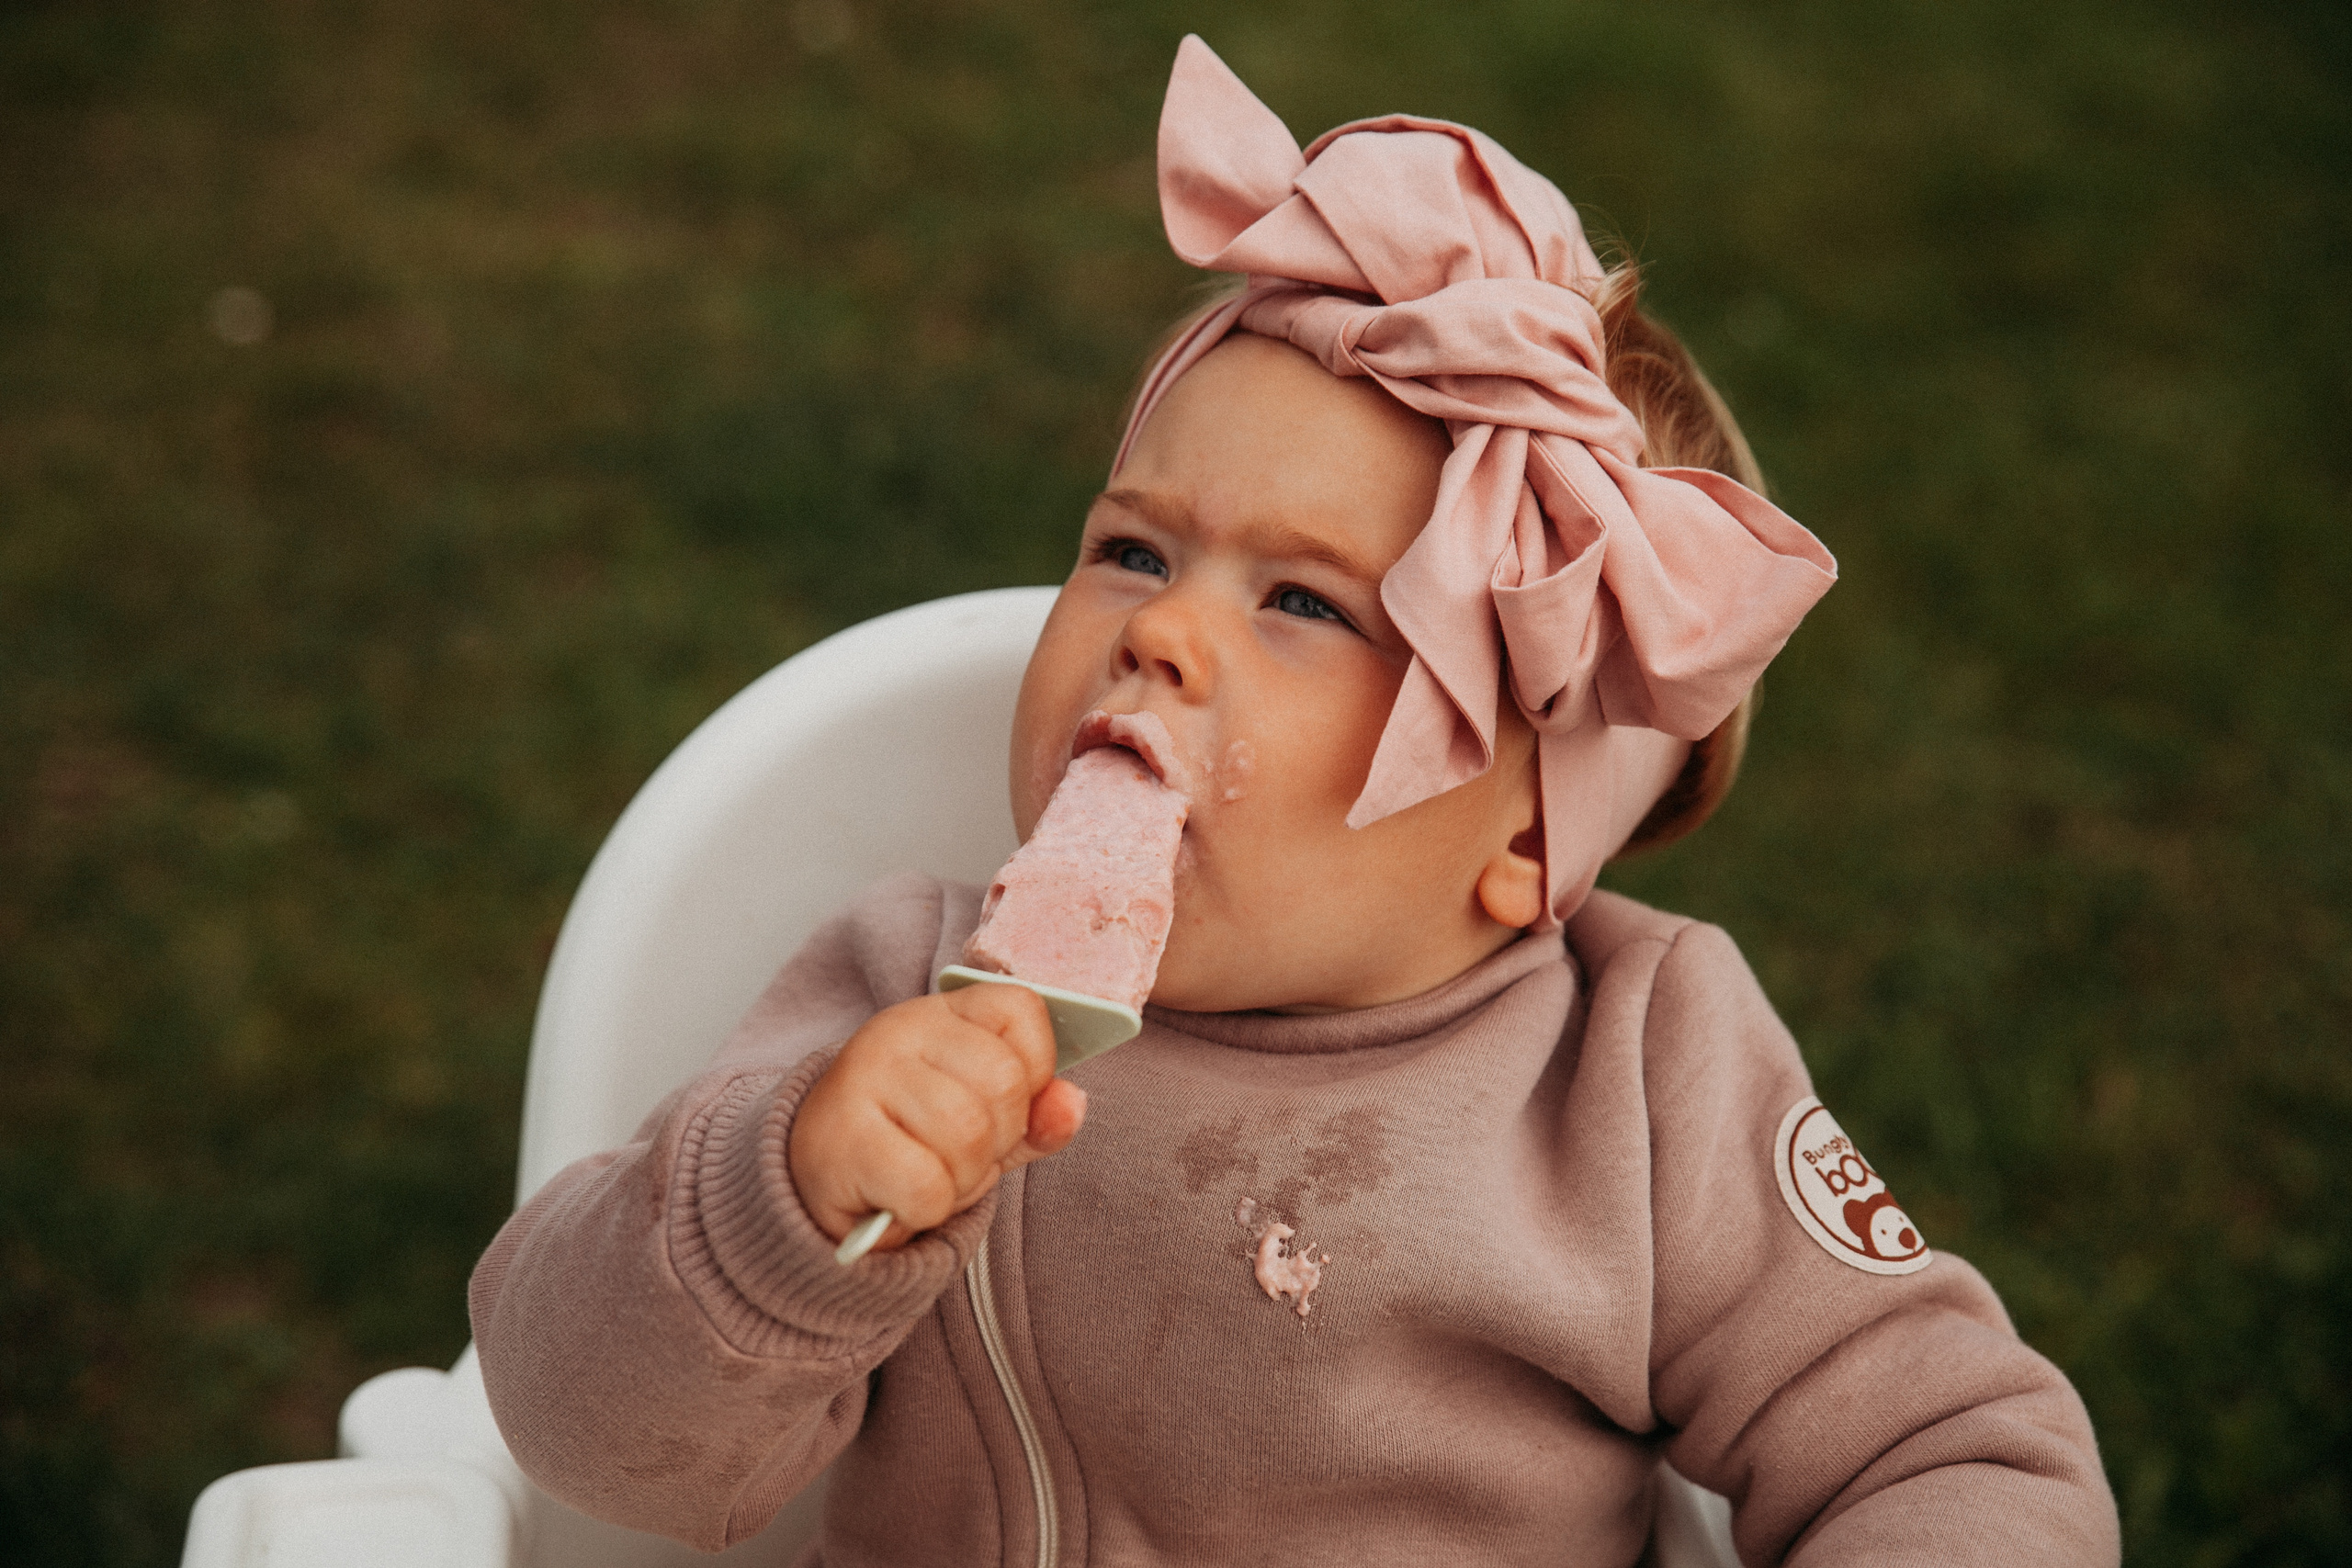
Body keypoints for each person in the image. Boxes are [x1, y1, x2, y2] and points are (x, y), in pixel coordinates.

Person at [469, 37, 2120, 1565]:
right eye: (1134, 549)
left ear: (1525, 839)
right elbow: (585, 1444)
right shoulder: (903, 994)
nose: (1163, 632)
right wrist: (793, 1206)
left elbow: (1961, 1457)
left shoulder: (1638, 1074)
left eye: (1308, 605)